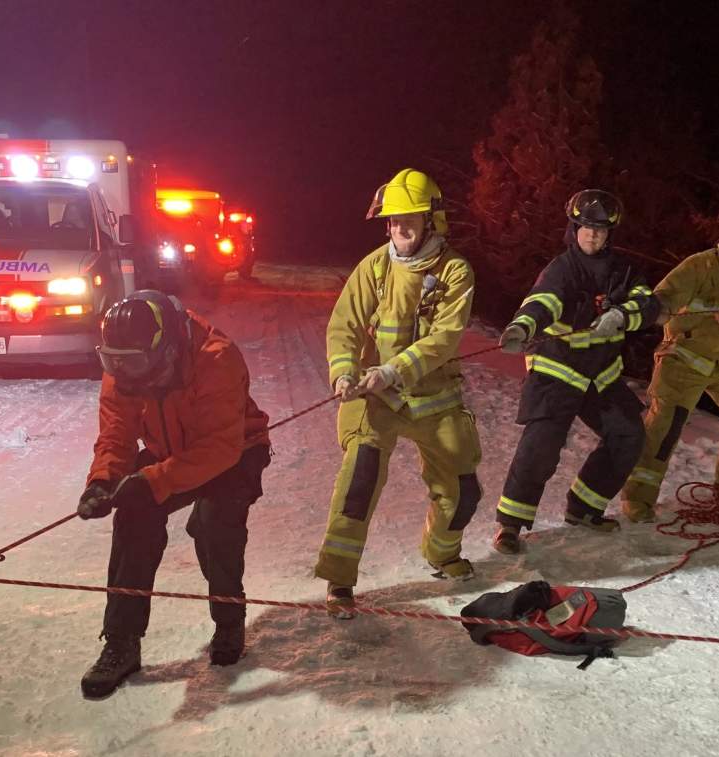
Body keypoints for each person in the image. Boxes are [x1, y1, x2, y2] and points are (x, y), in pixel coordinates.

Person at [76, 290, 271, 698]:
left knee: (215, 523)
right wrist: (103, 480)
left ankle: (229, 622)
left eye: (135, 364)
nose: (127, 375)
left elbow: (219, 447)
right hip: (172, 452)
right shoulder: (127, 362)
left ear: (166, 348)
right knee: (133, 518)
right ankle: (121, 642)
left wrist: (154, 482)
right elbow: (116, 432)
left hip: (234, 451)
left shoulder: (216, 358)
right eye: (117, 364)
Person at [316, 168, 482, 619]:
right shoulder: (373, 268)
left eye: (408, 218)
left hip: (435, 397)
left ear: (431, 221)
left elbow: (445, 337)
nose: (398, 228)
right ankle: (340, 580)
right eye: (392, 220)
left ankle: (442, 553)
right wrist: (344, 373)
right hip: (378, 399)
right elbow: (345, 326)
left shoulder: (454, 271)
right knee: (359, 482)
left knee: (463, 490)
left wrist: (394, 369)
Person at [492, 189, 660, 554]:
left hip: (601, 373)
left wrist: (621, 315)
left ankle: (584, 507)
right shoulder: (561, 268)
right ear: (573, 228)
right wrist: (522, 328)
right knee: (542, 445)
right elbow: (543, 301)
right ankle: (510, 524)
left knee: (628, 434)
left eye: (600, 229)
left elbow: (648, 302)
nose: (592, 235)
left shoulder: (624, 269)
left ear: (610, 233)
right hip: (557, 368)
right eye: (585, 227)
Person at [620, 197, 719, 522]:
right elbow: (664, 298)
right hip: (684, 359)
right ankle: (637, 501)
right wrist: (643, 313)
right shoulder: (700, 266)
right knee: (664, 425)